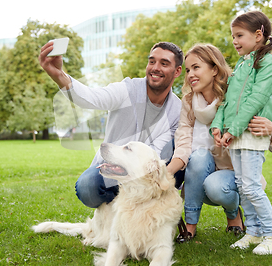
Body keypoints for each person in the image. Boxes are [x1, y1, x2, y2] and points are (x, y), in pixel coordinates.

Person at [39, 41, 183, 208]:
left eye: (164, 63)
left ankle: (137, 208)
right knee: (87, 186)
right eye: (152, 61)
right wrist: (59, 75)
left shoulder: (177, 111)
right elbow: (92, 97)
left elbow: (156, 152)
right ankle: (120, 213)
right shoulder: (128, 89)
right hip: (112, 169)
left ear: (177, 71)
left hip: (144, 177)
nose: (155, 67)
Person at [166, 43, 272, 243]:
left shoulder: (236, 95)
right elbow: (183, 142)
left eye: (196, 67)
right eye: (187, 70)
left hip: (233, 177)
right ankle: (190, 227)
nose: (190, 75)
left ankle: (234, 215)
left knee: (216, 185)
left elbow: (265, 138)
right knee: (198, 156)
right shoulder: (188, 102)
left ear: (214, 69)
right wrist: (166, 174)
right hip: (200, 175)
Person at [210, 10, 272, 255]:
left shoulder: (266, 62)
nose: (234, 40)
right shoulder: (241, 64)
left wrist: (234, 129)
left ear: (258, 34)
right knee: (243, 187)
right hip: (237, 133)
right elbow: (227, 101)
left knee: (251, 186)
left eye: (239, 35)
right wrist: (218, 126)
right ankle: (253, 232)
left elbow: (255, 100)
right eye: (233, 35)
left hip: (251, 131)